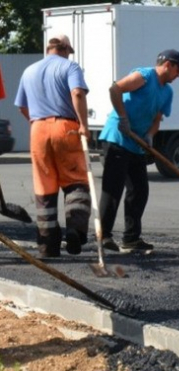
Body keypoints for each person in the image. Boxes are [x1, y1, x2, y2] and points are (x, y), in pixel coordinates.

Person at [98, 49, 179, 252]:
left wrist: (149, 135)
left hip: (136, 143)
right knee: (113, 189)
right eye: (177, 71)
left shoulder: (167, 92)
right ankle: (103, 236)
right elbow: (115, 89)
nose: (178, 76)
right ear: (168, 64)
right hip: (118, 137)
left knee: (139, 191)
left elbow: (157, 120)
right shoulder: (144, 76)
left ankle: (131, 238)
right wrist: (123, 118)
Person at [14, 34, 91, 258]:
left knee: (44, 189)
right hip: (66, 127)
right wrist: (84, 125)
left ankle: (48, 246)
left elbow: (21, 106)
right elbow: (77, 93)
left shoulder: (29, 71)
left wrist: (37, 122)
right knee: (76, 182)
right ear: (66, 49)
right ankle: (75, 230)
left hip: (37, 129)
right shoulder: (71, 66)